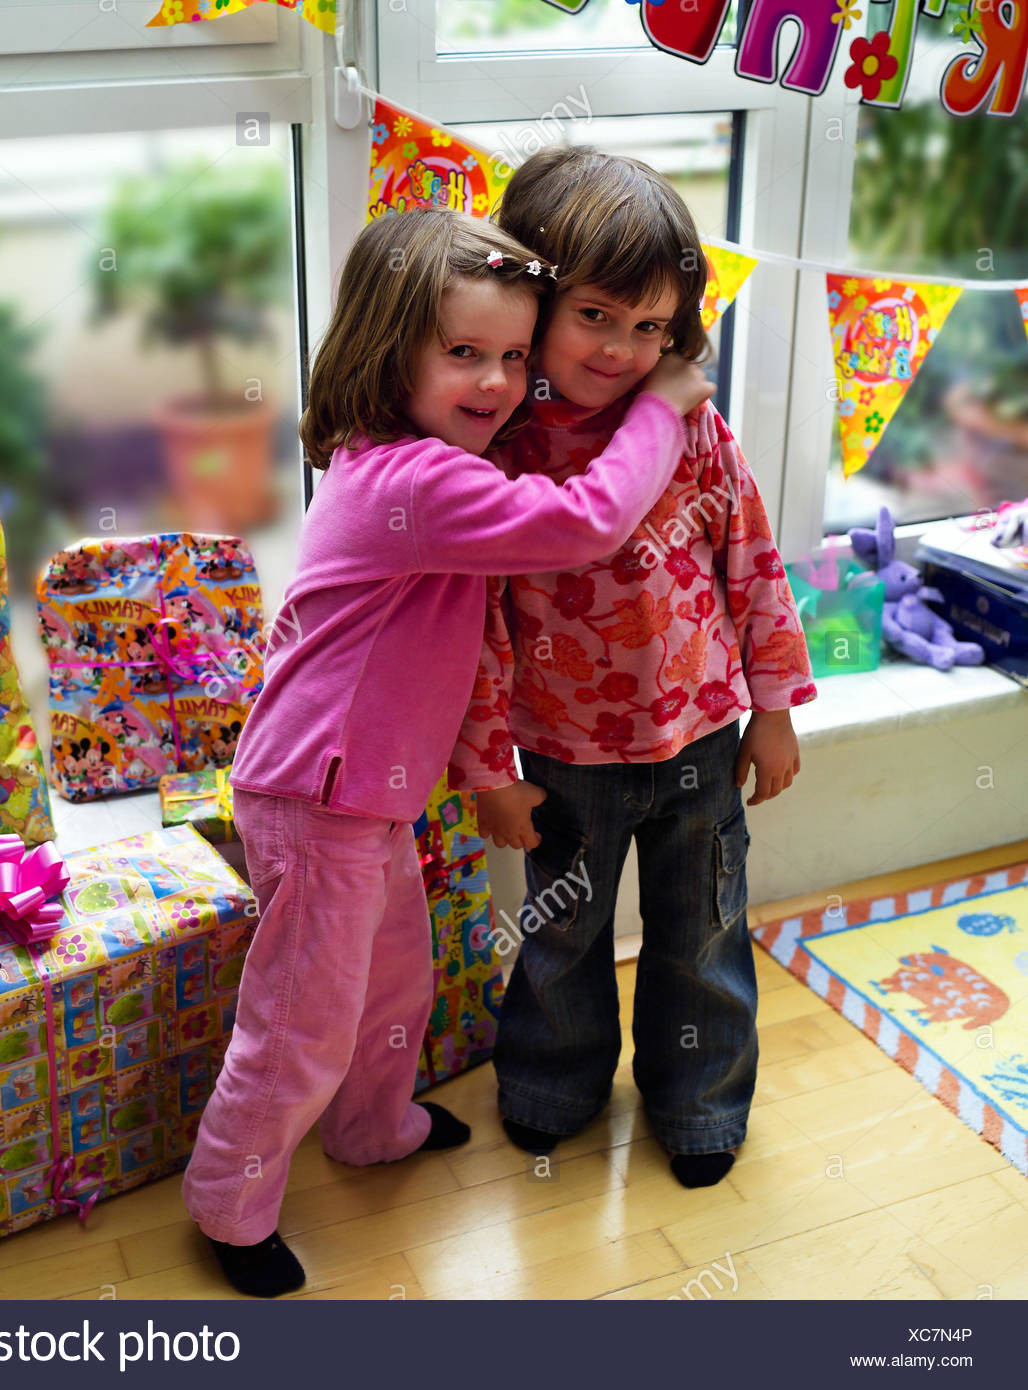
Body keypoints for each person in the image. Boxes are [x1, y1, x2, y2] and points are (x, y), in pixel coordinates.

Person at [180, 206, 714, 1296]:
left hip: (360, 795)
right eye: (463, 353)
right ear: (389, 353)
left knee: (391, 983)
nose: (497, 381)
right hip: (316, 794)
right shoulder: (413, 483)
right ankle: (227, 1203)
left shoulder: (407, 461)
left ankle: (373, 1129)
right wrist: (657, 407)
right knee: (299, 1020)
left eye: (516, 355)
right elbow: (585, 523)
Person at [450, 149, 817, 1190]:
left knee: (699, 936)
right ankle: (549, 1089)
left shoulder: (691, 424)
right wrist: (485, 767)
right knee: (560, 937)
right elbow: (471, 624)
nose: (624, 350)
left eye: (651, 326)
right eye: (598, 317)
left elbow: (752, 562)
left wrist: (775, 709)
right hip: (561, 756)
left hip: (701, 746)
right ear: (535, 298)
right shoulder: (498, 451)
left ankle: (698, 1100)